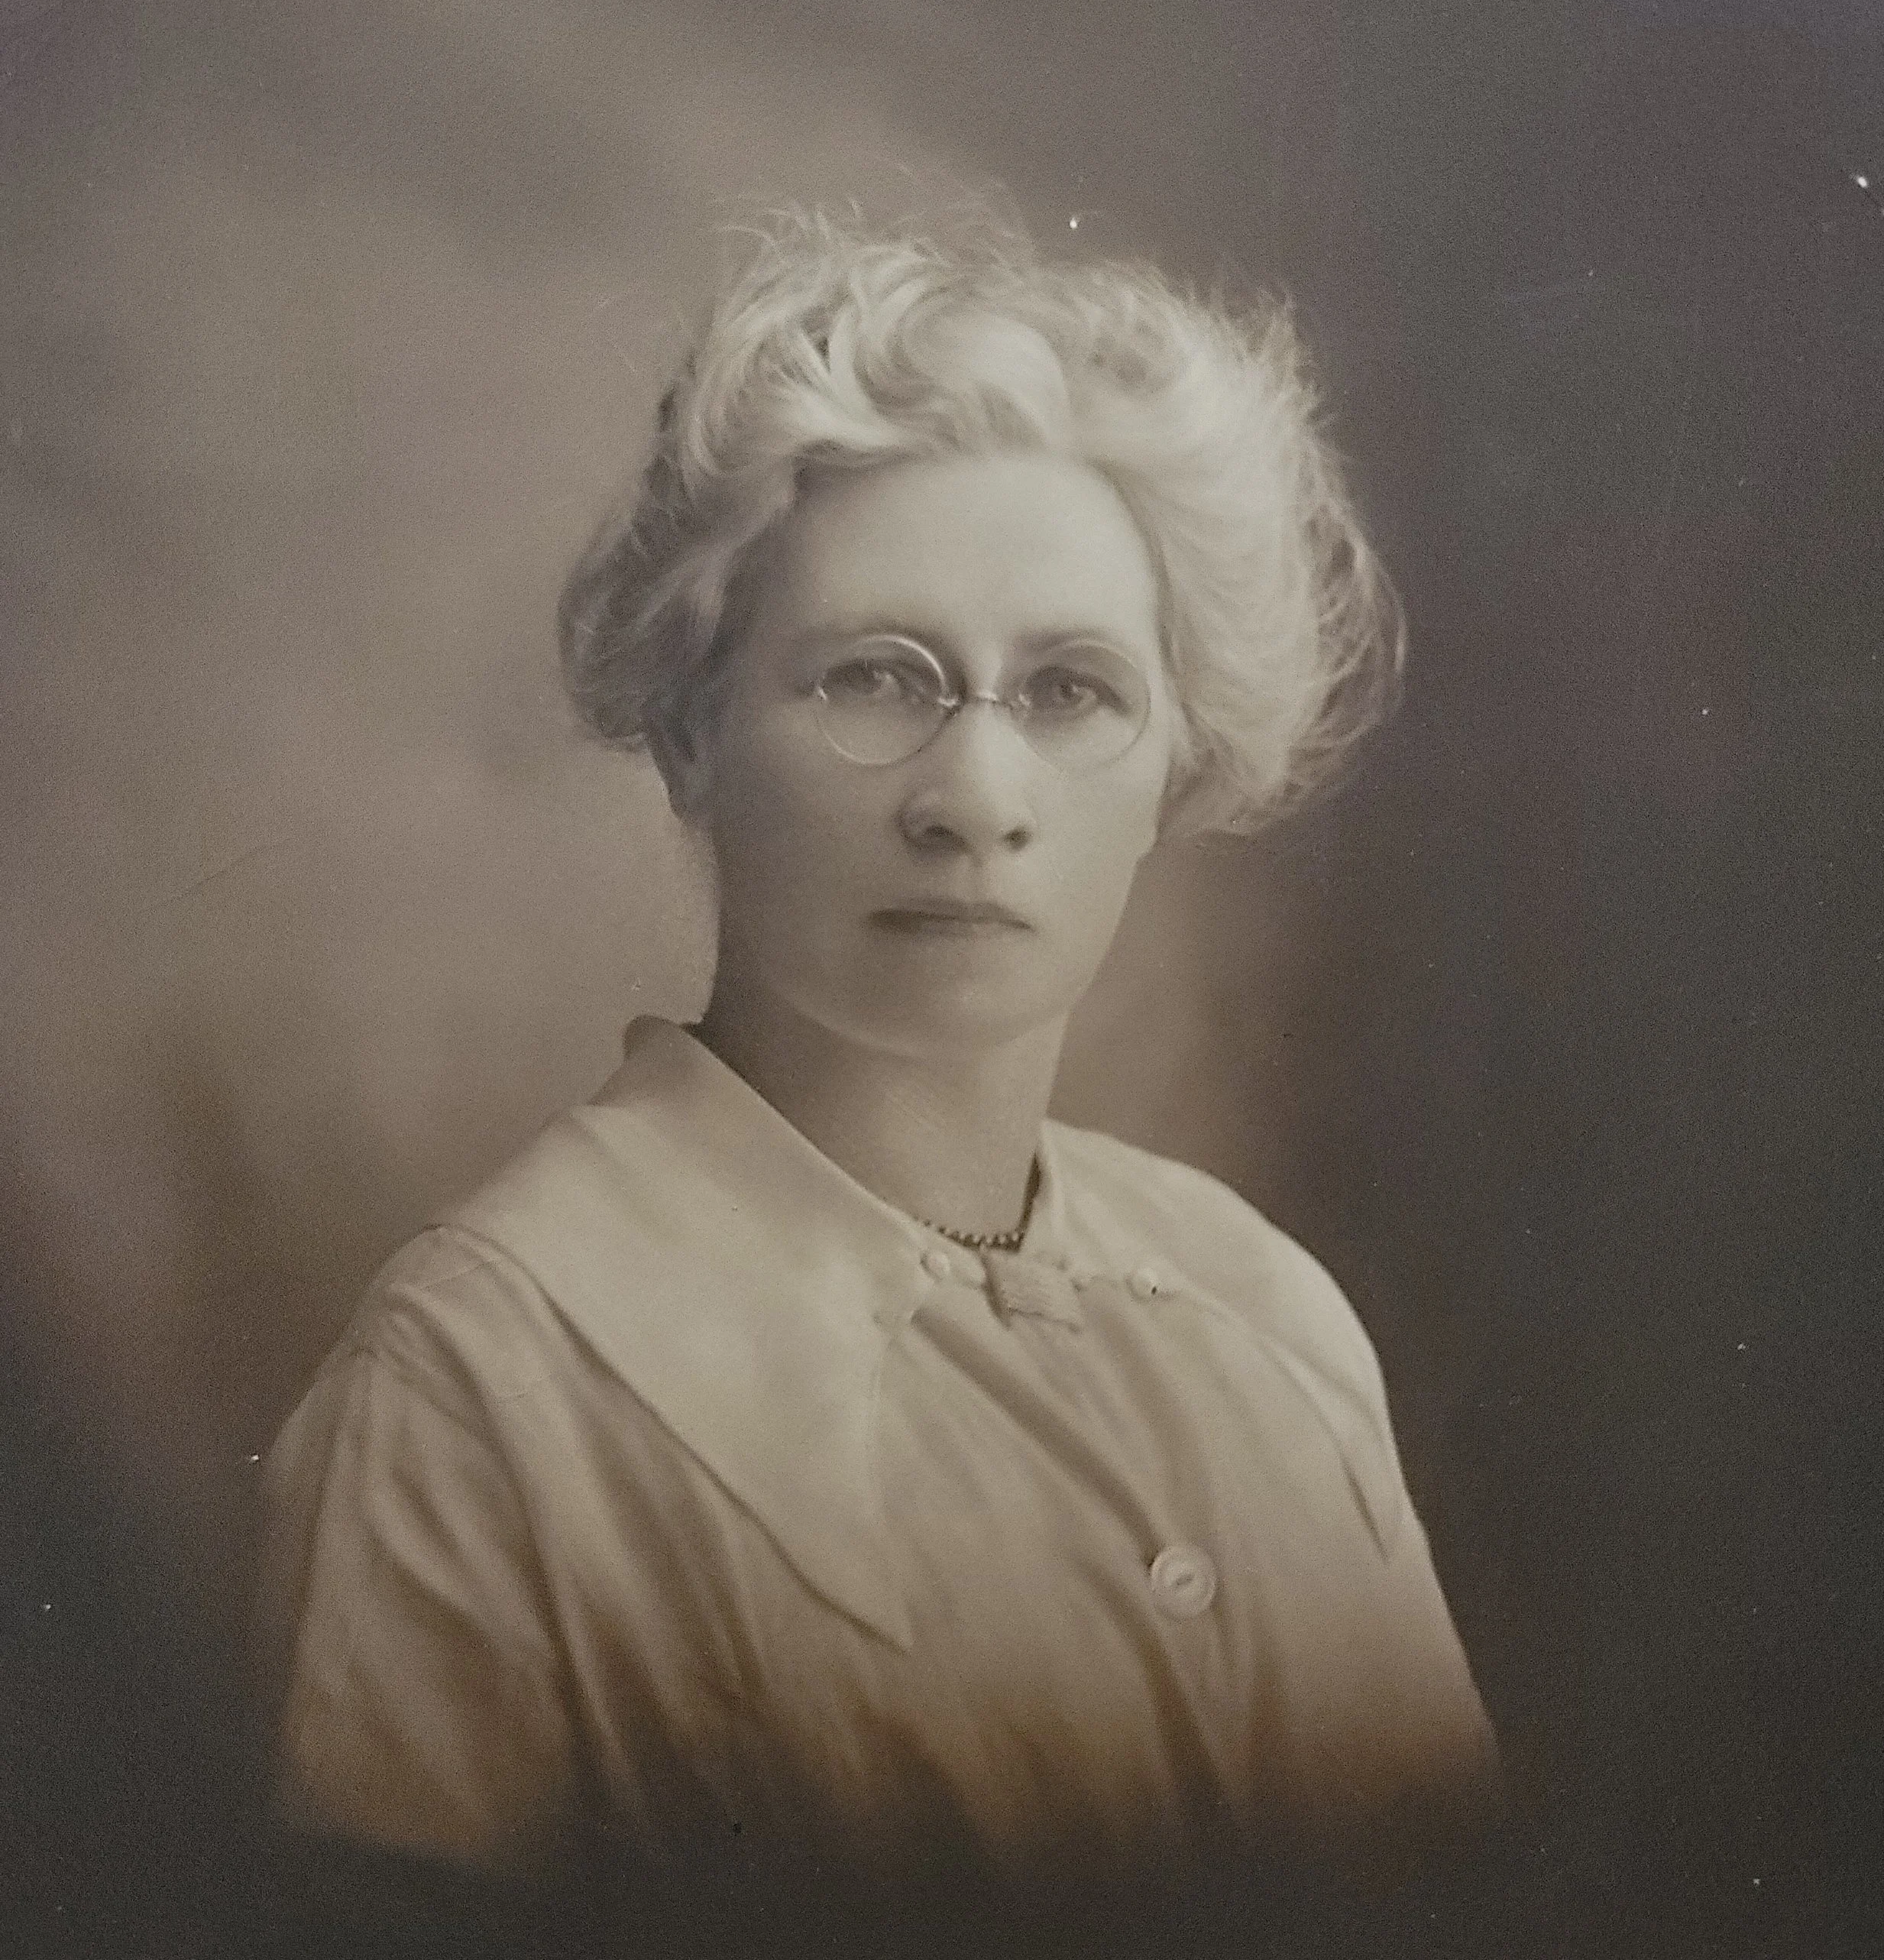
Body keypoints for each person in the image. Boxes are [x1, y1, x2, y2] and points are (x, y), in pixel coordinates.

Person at [256, 211, 1500, 1876]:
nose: (973, 802)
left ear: (1175, 767)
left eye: (1067, 693)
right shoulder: (480, 1395)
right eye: (873, 678)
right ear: (695, 737)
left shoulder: (1268, 1317)